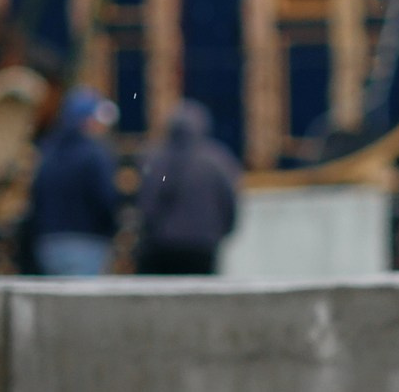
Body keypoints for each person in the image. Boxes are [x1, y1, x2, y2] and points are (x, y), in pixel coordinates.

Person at [134, 99, 242, 275]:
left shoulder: (153, 158)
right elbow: (229, 203)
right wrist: (220, 232)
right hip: (202, 245)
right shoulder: (218, 160)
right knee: (200, 299)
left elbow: (146, 203)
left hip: (160, 245)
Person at [26, 88, 119, 277]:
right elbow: (104, 199)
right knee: (84, 303)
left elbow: (37, 195)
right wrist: (110, 229)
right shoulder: (95, 155)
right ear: (87, 121)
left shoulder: (48, 150)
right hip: (86, 242)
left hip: (49, 242)